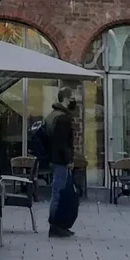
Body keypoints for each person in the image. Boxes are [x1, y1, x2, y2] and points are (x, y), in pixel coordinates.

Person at [46, 96, 80, 238]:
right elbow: (63, 143)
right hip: (61, 162)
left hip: (54, 160)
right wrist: (68, 160)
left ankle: (57, 225)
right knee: (59, 193)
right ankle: (56, 225)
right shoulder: (63, 119)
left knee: (58, 192)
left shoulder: (52, 116)